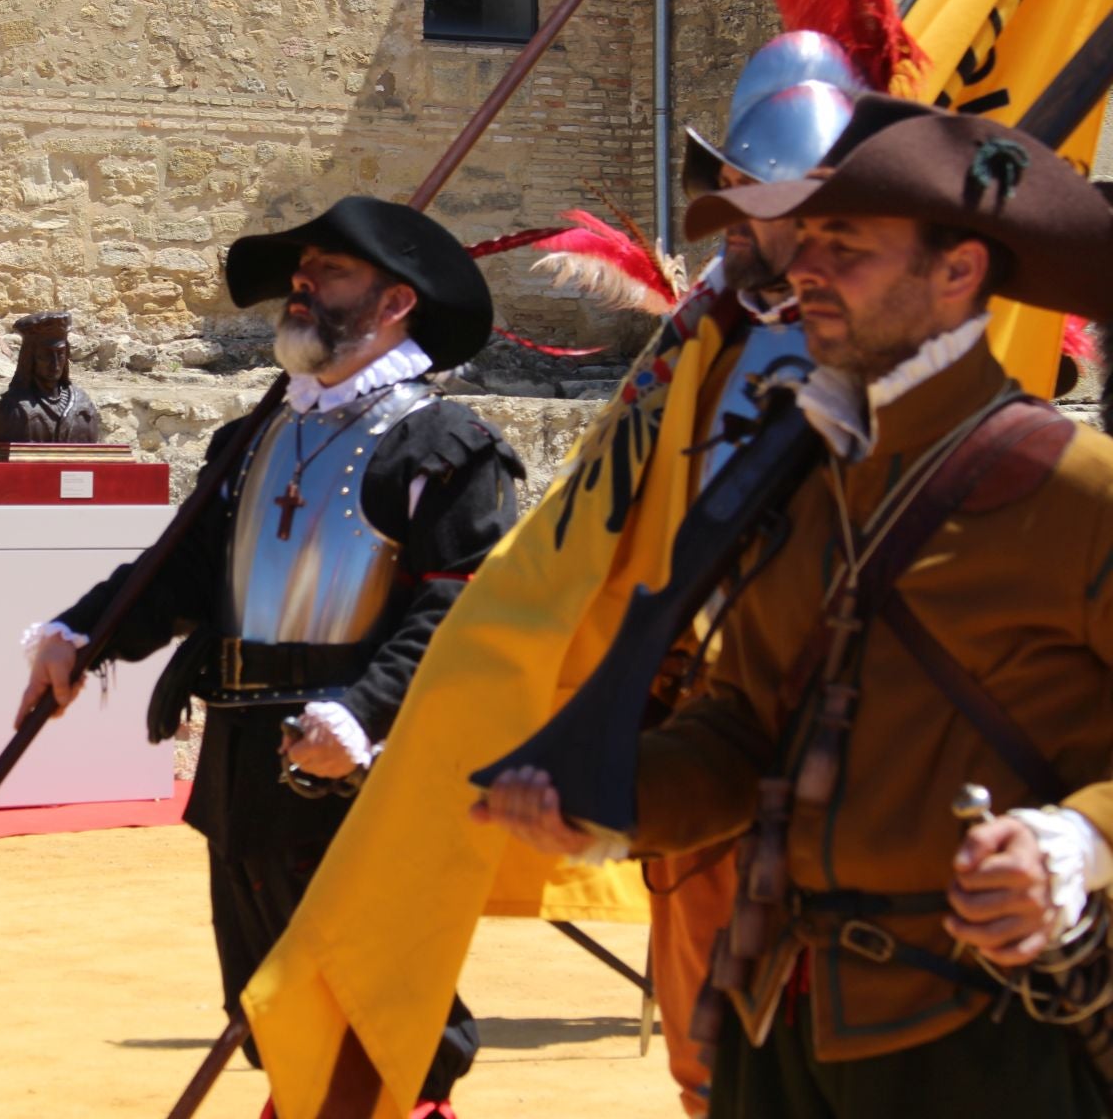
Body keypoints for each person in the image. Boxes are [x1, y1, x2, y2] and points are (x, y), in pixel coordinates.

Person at [476, 94, 1113, 1117]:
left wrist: (1076, 845)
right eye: (806, 239)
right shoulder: (796, 473)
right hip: (776, 1024)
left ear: (959, 273)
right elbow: (745, 727)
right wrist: (611, 798)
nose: (803, 268)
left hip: (989, 1041)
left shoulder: (1076, 487)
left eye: (846, 246)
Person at [19, 195, 520, 1119]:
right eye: (301, 273)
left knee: (381, 1012)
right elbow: (179, 574)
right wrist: (85, 634)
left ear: (396, 303)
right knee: (272, 1003)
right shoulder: (252, 438)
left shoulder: (442, 447)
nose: (303, 286)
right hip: (245, 757)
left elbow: (462, 611)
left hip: (367, 772)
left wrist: (362, 714)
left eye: (329, 272)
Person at [646, 32, 864, 1116]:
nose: (747, 214)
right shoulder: (703, 337)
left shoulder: (895, 339)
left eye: (771, 193)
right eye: (739, 189)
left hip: (855, 708)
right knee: (705, 1028)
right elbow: (620, 506)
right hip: (702, 700)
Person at [0, 309, 100, 443]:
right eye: (46, 355)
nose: (55, 364)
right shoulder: (13, 408)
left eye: (60, 354)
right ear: (31, 357)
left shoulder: (83, 404)